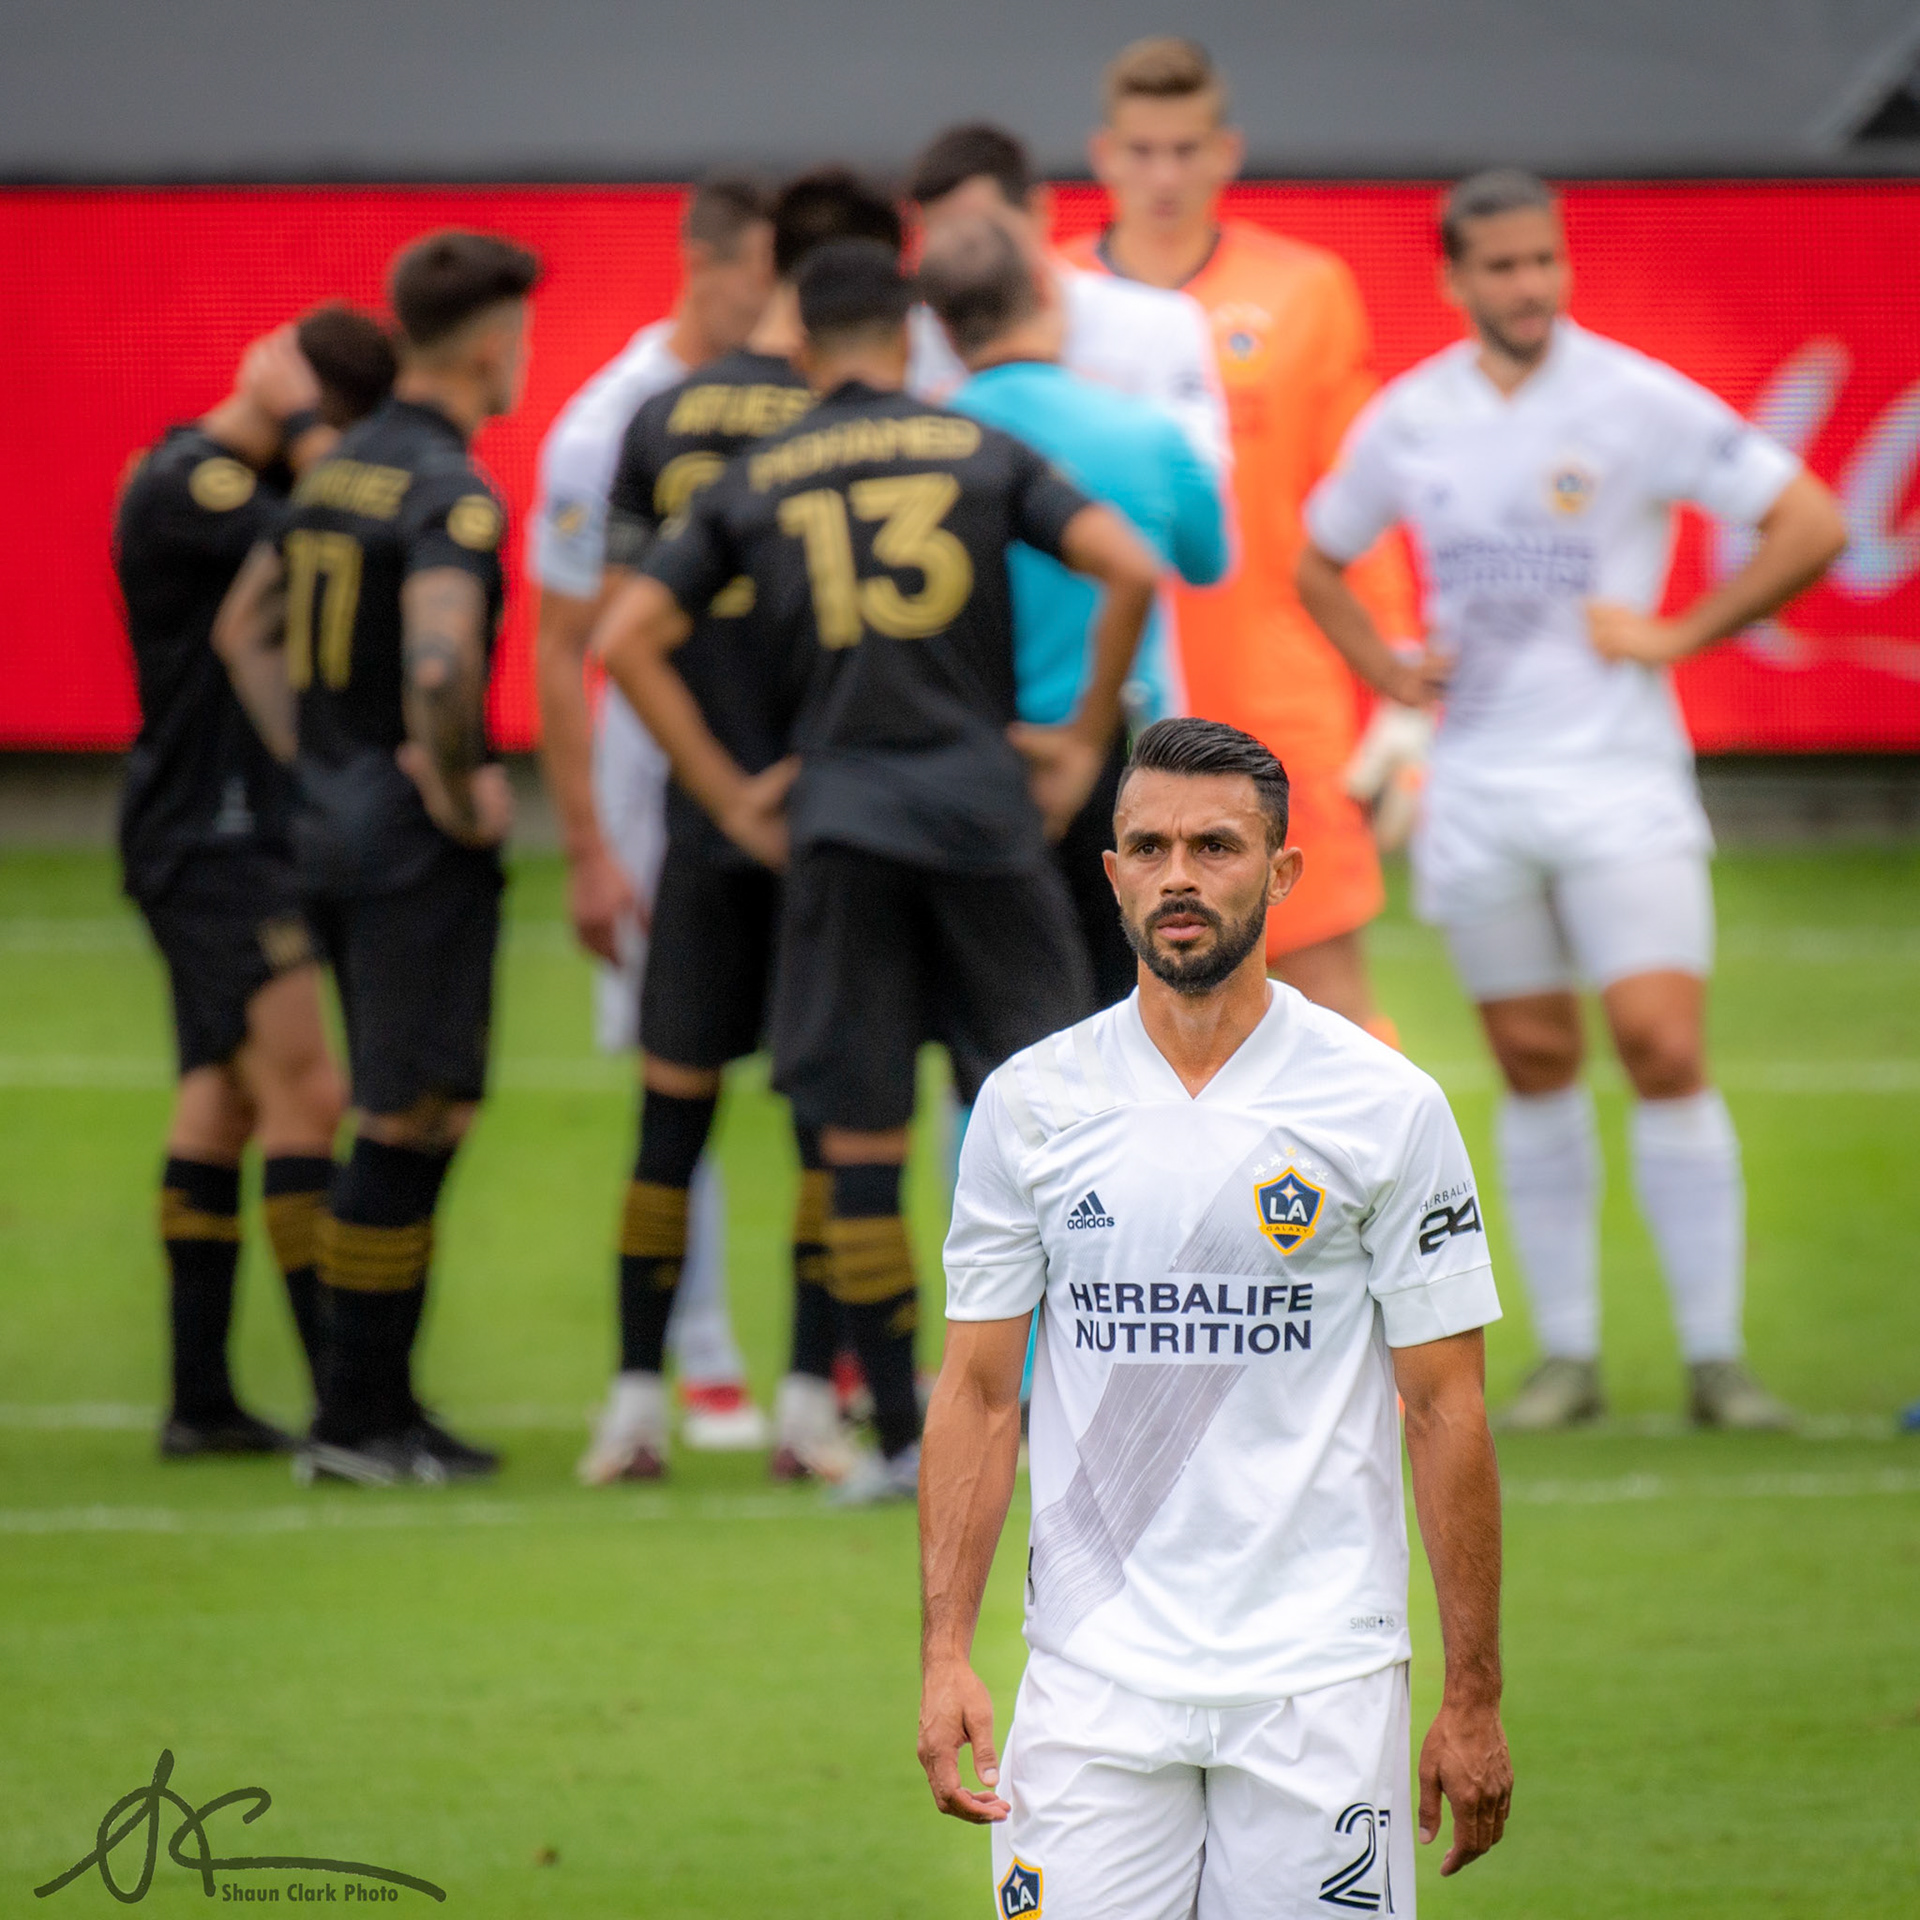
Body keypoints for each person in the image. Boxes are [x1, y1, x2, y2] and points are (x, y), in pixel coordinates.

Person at [596, 238, 1162, 1504]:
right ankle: (1102, 1413)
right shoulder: (977, 447)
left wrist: (735, 796)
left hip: (841, 831)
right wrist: (1077, 739)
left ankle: (905, 1442)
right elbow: (1132, 565)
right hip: (981, 824)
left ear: (803, 348)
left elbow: (626, 635)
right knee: (1063, 1125)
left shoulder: (760, 476)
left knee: (859, 1138)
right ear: (910, 342)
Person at [919, 717, 1512, 1918]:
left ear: (1282, 873)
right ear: (1113, 874)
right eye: (1149, 846)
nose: (1179, 875)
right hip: (1090, 1682)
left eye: (1216, 846)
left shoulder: (1383, 1107)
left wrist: (1475, 1696)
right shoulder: (1030, 1106)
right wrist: (942, 1653)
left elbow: (1445, 1405)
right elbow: (981, 1394)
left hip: (1320, 1682)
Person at [1297, 170, 1848, 1431]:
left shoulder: (1632, 399)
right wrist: (1384, 668)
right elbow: (1316, 555)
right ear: (1453, 281)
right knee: (1533, 1061)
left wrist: (1680, 633)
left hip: (1620, 783)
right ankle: (1571, 1361)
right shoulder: (1410, 418)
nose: (1530, 286)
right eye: (1501, 267)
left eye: (1545, 261)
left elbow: (1807, 521)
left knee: (1662, 1046)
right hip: (1479, 788)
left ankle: (1717, 1359)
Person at [578, 168, 903, 1485]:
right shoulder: (854, 429)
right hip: (822, 816)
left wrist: (711, 787)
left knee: (673, 1118)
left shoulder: (658, 415)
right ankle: (810, 1411)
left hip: (708, 819)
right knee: (833, 1123)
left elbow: (616, 626)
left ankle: (632, 1408)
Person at [220, 229, 541, 1484]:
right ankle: (355, 1421)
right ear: (487, 344)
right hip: (409, 848)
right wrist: (455, 788)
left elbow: (247, 630)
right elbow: (440, 660)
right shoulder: (448, 488)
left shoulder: (336, 464)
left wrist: (326, 758)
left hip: (328, 825)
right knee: (408, 1111)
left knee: (417, 1105)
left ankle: (384, 1410)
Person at [1070, 37, 1420, 1040]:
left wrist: (1395, 682)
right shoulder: (1052, 298)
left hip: (1273, 697)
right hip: (1097, 702)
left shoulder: (1306, 289)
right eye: (1142, 150)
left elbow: (1358, 504)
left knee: (1329, 1005)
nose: (1164, 175)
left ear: (1226, 151)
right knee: (1093, 1013)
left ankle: (1395, 1202)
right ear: (1105, 155)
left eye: (1185, 149)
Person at [117, 306, 393, 1458]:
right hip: (217, 839)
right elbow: (335, 538)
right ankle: (342, 1392)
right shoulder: (196, 485)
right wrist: (306, 429)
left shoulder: (193, 475)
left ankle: (200, 1401)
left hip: (205, 829)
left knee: (223, 1102)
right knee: (308, 1091)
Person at [531, 174, 777, 1455]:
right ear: (706, 263)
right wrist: (583, 842)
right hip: (649, 799)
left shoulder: (790, 404)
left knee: (804, 1068)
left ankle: (800, 1370)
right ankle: (704, 1359)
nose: (778, 305)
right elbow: (563, 641)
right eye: (763, 277)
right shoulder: (607, 423)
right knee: (675, 1073)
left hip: (776, 789)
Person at [920, 213, 1228, 1007]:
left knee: (986, 1038)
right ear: (1049, 294)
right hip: (1118, 762)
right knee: (1124, 1027)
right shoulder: (1144, 431)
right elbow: (1207, 560)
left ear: (945, 327)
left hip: (962, 757)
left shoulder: (919, 440)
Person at [905, 121, 1228, 483]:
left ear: (1039, 210)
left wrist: (1080, 407)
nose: (965, 250)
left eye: (984, 227)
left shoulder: (1161, 320)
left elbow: (1201, 473)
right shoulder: (909, 341)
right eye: (941, 235)